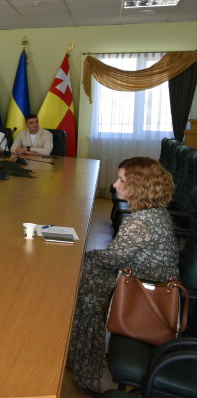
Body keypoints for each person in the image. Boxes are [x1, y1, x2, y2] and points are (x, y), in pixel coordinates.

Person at [68, 157, 178, 394]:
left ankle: (86, 367)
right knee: (85, 274)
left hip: (147, 292)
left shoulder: (138, 223)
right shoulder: (155, 211)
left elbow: (112, 259)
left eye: (121, 180)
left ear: (139, 185)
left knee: (86, 290)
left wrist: (82, 256)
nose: (114, 185)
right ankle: (78, 354)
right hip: (149, 281)